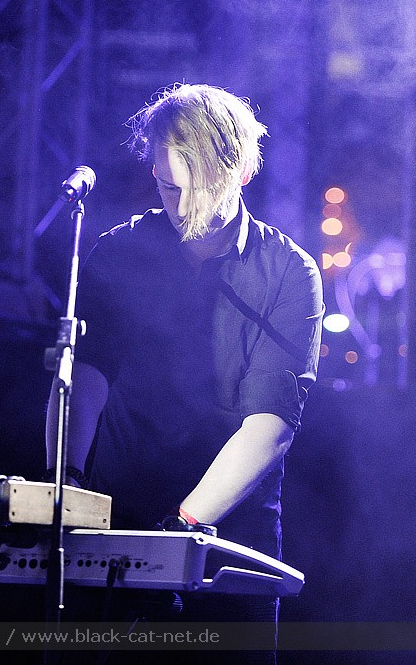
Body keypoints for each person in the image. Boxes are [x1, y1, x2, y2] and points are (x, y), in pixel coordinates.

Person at [44, 83, 324, 662]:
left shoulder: (289, 273)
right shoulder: (117, 252)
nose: (184, 206)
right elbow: (83, 380)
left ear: (243, 171)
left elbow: (269, 426)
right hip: (114, 519)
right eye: (170, 188)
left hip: (231, 541)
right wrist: (62, 483)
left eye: (201, 188)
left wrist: (180, 528)